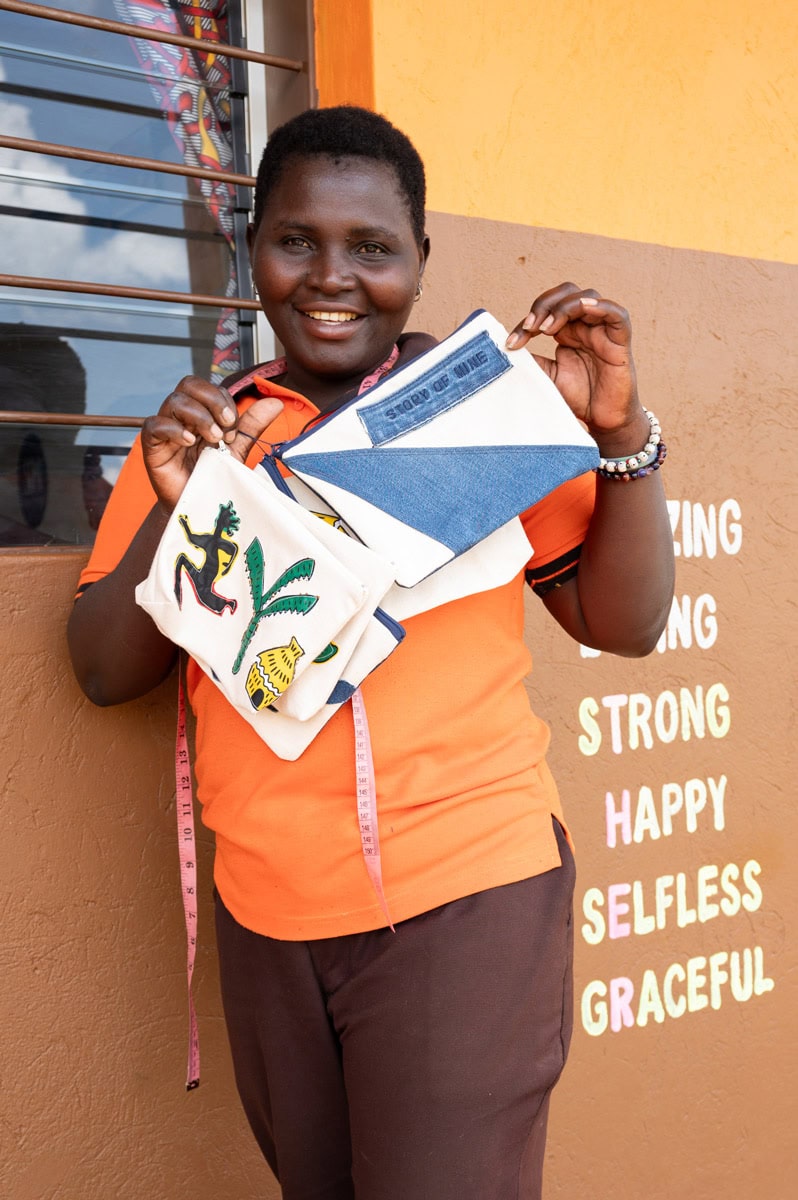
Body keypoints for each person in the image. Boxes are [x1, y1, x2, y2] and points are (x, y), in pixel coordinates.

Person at [67, 105, 675, 1199]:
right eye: (296, 240)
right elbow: (108, 674)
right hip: (268, 915)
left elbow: (621, 625)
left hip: (466, 902)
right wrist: (181, 506)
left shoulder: (473, 416)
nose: (330, 277)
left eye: (373, 248)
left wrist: (622, 438)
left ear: (421, 261)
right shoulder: (209, 434)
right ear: (252, 251)